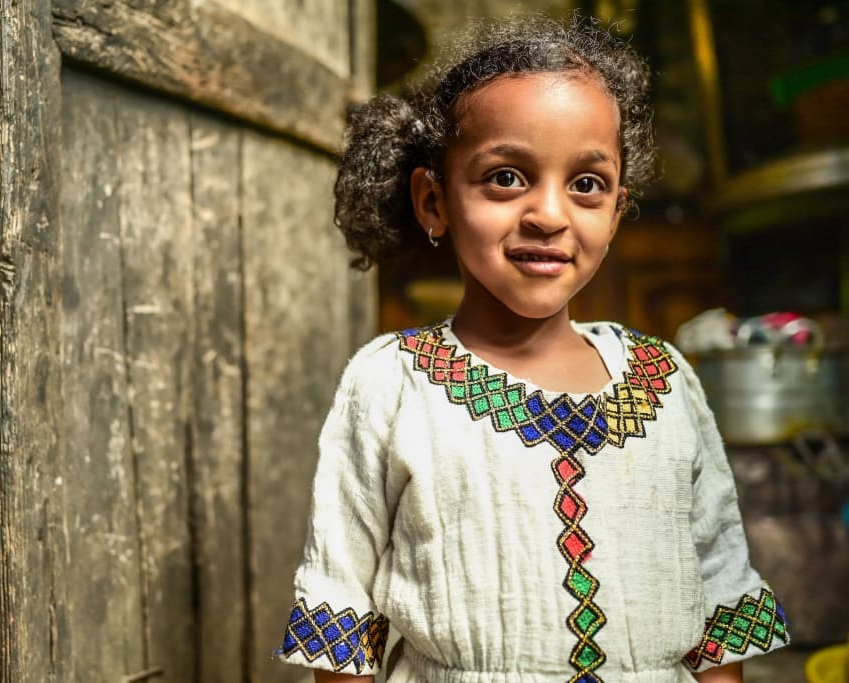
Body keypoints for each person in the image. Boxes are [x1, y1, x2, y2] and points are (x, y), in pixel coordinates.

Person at [276, 12, 789, 683]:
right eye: (507, 177)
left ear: (616, 209)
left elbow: (720, 598)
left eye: (586, 184)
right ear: (434, 200)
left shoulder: (666, 382)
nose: (549, 214)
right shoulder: (391, 386)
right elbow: (341, 612)